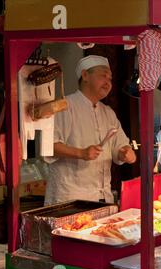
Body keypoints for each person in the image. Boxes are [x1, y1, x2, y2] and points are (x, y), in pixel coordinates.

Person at [44, 55, 136, 205]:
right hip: (71, 197)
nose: (108, 82)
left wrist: (125, 153)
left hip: (102, 195)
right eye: (103, 76)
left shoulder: (108, 113)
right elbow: (48, 147)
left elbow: (120, 146)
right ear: (85, 75)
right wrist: (81, 153)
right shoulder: (64, 106)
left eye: (110, 78)